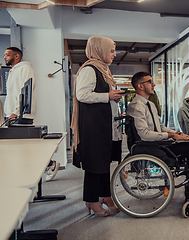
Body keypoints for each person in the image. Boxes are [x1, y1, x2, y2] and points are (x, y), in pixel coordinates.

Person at [126, 72, 189, 199]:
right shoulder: (136, 106)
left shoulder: (150, 105)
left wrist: (178, 134)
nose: (154, 84)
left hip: (158, 144)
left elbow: (160, 126)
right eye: (150, 81)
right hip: (150, 147)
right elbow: (145, 135)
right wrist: (170, 136)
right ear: (140, 86)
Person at [71, 36, 124, 217]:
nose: (114, 54)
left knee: (103, 163)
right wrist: (108, 96)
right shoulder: (90, 69)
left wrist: (112, 98)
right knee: (94, 165)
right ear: (99, 50)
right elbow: (82, 95)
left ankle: (105, 196)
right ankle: (91, 200)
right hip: (94, 127)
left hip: (104, 125)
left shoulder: (103, 70)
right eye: (111, 50)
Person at [3, 47, 60, 181]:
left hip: (20, 115)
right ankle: (48, 165)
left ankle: (50, 164)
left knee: (26, 148)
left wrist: (16, 112)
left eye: (7, 55)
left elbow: (25, 92)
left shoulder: (25, 69)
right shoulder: (12, 71)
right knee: (21, 149)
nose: (4, 57)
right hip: (11, 114)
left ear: (17, 56)